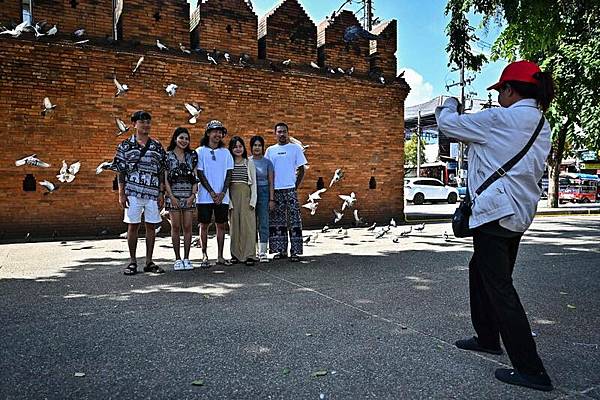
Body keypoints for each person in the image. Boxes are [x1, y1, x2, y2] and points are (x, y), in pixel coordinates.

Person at [435, 60, 555, 391]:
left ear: (509, 89)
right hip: (517, 214)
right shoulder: (540, 123)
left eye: (500, 90)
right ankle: (487, 337)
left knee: (500, 288)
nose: (498, 96)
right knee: (481, 271)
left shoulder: (499, 119)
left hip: (493, 215)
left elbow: (448, 125)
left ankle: (532, 370)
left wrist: (449, 103)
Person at [113, 110, 166, 275]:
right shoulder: (125, 145)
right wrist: (121, 194)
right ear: (134, 124)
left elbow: (161, 170)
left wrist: (161, 192)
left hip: (152, 193)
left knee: (151, 227)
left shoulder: (157, 146)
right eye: (142, 122)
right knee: (133, 226)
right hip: (133, 192)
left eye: (148, 122)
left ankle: (149, 261)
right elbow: (120, 171)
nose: (146, 125)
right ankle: (132, 262)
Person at [264, 122, 307, 262]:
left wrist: (295, 186)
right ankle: (281, 251)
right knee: (277, 221)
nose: (282, 134)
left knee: (294, 221)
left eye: (284, 131)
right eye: (279, 132)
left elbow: (302, 169)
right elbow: (267, 171)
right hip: (276, 190)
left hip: (290, 190)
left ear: (288, 133)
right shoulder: (270, 150)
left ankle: (295, 251)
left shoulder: (295, 149)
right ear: (275, 134)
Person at [196, 120, 233, 267]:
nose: (217, 134)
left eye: (220, 131)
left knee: (221, 225)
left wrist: (223, 192)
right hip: (205, 196)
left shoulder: (226, 153)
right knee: (204, 225)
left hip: (222, 197)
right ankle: (204, 255)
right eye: (214, 131)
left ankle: (220, 256)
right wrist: (211, 192)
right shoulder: (199, 151)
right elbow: (200, 172)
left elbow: (229, 173)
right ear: (208, 133)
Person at [164, 127, 198, 271]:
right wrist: (171, 197)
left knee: (188, 227)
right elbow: (165, 178)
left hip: (188, 196)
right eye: (181, 138)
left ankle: (186, 258)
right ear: (175, 138)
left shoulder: (192, 155)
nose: (184, 141)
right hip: (174, 196)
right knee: (176, 227)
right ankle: (177, 259)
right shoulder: (167, 156)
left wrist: (192, 195)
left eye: (186, 138)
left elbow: (195, 177)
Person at [227, 136, 257, 266]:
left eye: (240, 146)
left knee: (248, 226)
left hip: (246, 196)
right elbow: (226, 183)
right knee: (234, 226)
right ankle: (235, 255)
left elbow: (253, 183)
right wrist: (229, 202)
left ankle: (249, 254)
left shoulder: (248, 162)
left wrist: (253, 201)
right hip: (233, 196)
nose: (238, 149)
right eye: (235, 147)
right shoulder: (229, 162)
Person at [249, 135, 275, 263]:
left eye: (259, 145)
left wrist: (271, 199)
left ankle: (263, 251)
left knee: (263, 223)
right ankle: (252, 251)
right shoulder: (247, 161)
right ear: (251, 147)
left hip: (264, 193)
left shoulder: (267, 162)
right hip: (251, 194)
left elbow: (271, 182)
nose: (257, 147)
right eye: (255, 145)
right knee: (251, 223)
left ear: (263, 147)